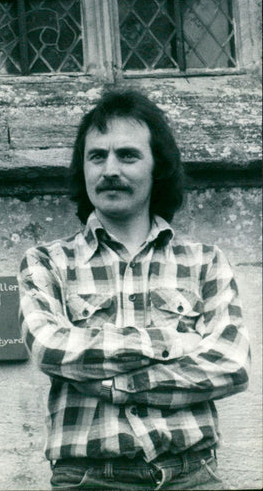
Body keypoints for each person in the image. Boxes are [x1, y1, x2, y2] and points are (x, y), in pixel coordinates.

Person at [18, 90, 250, 490]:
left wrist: (123, 385)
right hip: (90, 478)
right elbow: (50, 348)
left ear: (157, 166)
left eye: (127, 155)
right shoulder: (46, 262)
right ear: (84, 168)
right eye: (97, 156)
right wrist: (173, 343)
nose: (110, 169)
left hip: (193, 475)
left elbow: (231, 363)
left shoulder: (205, 262)